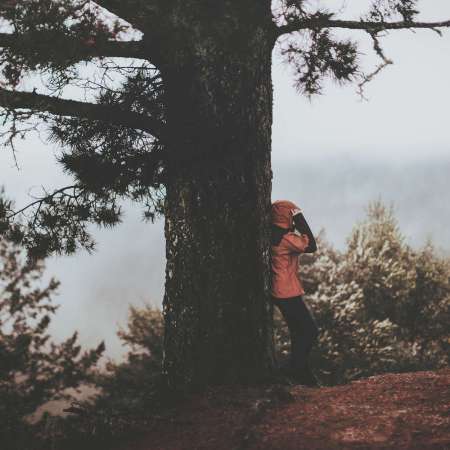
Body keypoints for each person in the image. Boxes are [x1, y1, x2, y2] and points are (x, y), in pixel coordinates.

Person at [271, 199, 320, 387]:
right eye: (292, 215)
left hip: (280, 291)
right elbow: (312, 245)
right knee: (310, 331)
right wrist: (300, 218)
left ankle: (302, 372)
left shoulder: (274, 235)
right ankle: (294, 367)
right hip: (287, 293)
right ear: (287, 217)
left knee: (298, 332)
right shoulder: (286, 239)